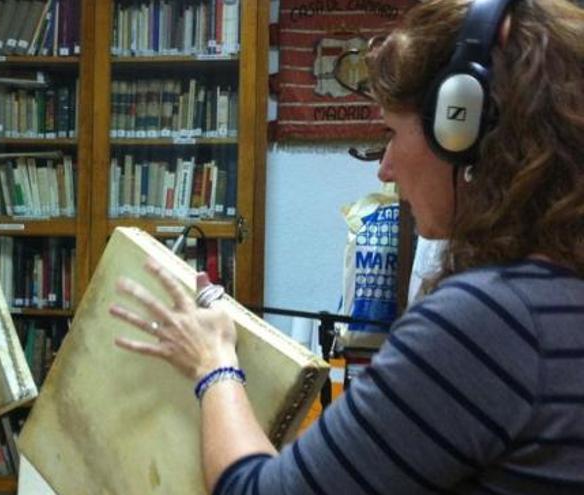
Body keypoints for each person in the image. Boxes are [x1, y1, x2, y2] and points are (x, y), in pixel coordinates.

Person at [110, 0, 584, 493]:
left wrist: (212, 362)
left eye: (392, 134)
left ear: (462, 129)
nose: (385, 169)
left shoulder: (490, 323)